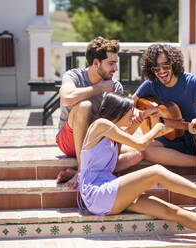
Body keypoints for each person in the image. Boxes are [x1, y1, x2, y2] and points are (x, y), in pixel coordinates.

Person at [77, 92, 196, 241]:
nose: (132, 114)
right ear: (118, 110)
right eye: (130, 111)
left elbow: (127, 138)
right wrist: (158, 128)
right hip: (97, 193)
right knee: (156, 172)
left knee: (171, 211)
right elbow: (140, 144)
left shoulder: (111, 134)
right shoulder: (101, 125)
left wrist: (138, 122)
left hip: (109, 194)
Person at [133, 44, 196, 214]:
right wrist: (137, 111)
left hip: (195, 137)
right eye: (156, 68)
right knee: (147, 149)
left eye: (166, 65)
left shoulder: (191, 82)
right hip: (173, 140)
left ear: (175, 63)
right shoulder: (151, 85)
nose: (161, 71)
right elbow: (130, 103)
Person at [56, 36, 143, 189]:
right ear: (96, 63)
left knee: (137, 154)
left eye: (116, 63)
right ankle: (83, 171)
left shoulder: (116, 87)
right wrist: (99, 87)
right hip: (68, 140)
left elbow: (116, 129)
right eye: (111, 63)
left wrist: (134, 121)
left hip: (95, 141)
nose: (115, 68)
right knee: (84, 106)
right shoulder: (74, 76)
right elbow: (67, 98)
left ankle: (80, 171)